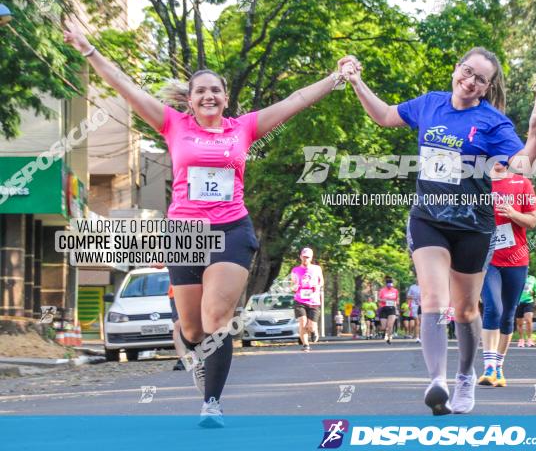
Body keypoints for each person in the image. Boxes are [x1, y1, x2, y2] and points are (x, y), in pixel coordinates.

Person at [63, 22, 350, 428]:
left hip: (232, 229)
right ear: (191, 100)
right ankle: (193, 350)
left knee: (217, 319)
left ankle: (211, 404)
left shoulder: (243, 128)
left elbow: (296, 99)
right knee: (194, 329)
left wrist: (335, 76)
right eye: (201, 91)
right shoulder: (172, 124)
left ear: (225, 98)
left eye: (215, 90)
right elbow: (127, 88)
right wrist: (90, 50)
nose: (209, 95)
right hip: (183, 234)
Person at [338, 47, 536, 415]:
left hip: (473, 224)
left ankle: (465, 377)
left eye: (479, 79)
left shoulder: (493, 122)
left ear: (486, 88)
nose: (469, 82)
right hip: (429, 220)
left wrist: (535, 132)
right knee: (434, 302)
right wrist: (357, 82)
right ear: (456, 69)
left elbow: (523, 165)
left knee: (467, 309)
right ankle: (437, 381)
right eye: (466, 72)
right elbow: (387, 116)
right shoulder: (430, 104)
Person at [478, 162, 536, 388]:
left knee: (509, 314)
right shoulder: (478, 182)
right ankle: (489, 367)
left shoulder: (522, 183)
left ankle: (499, 367)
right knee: (493, 306)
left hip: (516, 257)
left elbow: (532, 221)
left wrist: (513, 214)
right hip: (487, 257)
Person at [291, 247, 324, 352]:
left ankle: (314, 330)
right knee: (302, 322)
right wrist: (294, 287)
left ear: (311, 258)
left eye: (308, 257)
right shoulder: (295, 270)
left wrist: (317, 286)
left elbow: (321, 282)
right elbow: (292, 284)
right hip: (300, 300)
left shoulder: (317, 268)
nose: (305, 259)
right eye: (304, 257)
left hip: (314, 301)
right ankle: (306, 345)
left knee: (311, 326)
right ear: (300, 256)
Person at [516, 273, 536, 348]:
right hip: (518, 302)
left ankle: (529, 339)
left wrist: (534, 292)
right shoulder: (518, 276)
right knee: (520, 323)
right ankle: (521, 339)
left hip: (529, 301)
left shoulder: (532, 278)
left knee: (529, 320)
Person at [169, 283, 186, 370]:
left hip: (203, 287)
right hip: (177, 288)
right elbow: (158, 268)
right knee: (178, 324)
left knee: (199, 324)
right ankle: (183, 360)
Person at [378, 276, 400, 343]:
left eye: (391, 285)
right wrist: (383, 300)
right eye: (388, 285)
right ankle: (380, 331)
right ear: (386, 284)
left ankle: (388, 338)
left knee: (390, 325)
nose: (389, 286)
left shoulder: (395, 290)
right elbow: (378, 299)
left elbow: (397, 300)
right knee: (384, 327)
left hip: (392, 308)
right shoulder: (382, 290)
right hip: (384, 308)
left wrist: (395, 303)